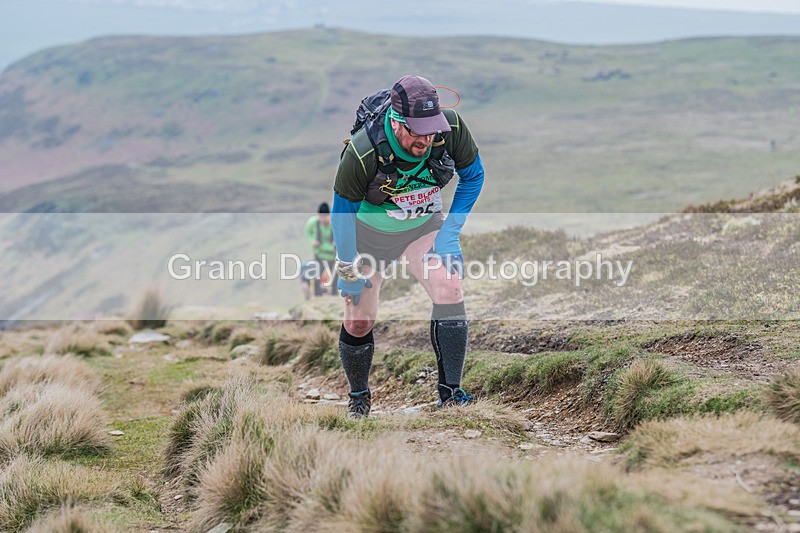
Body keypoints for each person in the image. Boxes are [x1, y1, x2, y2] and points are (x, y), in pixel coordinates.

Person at [331, 75, 485, 418]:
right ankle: (359, 399)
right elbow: (341, 214)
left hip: (422, 226)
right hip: (368, 235)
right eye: (419, 132)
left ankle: (450, 396)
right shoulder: (363, 150)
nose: (429, 139)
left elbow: (474, 176)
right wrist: (347, 267)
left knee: (449, 286)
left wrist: (450, 234)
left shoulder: (450, 128)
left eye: (433, 129)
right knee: (359, 321)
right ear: (398, 122)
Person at [304, 202, 337, 296]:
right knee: (317, 275)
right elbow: (307, 232)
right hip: (319, 254)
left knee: (334, 276)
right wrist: (312, 241)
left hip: (332, 255)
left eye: (325, 216)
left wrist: (336, 243)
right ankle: (317, 295)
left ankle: (334, 294)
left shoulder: (334, 223)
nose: (323, 219)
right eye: (321, 216)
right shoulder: (313, 222)